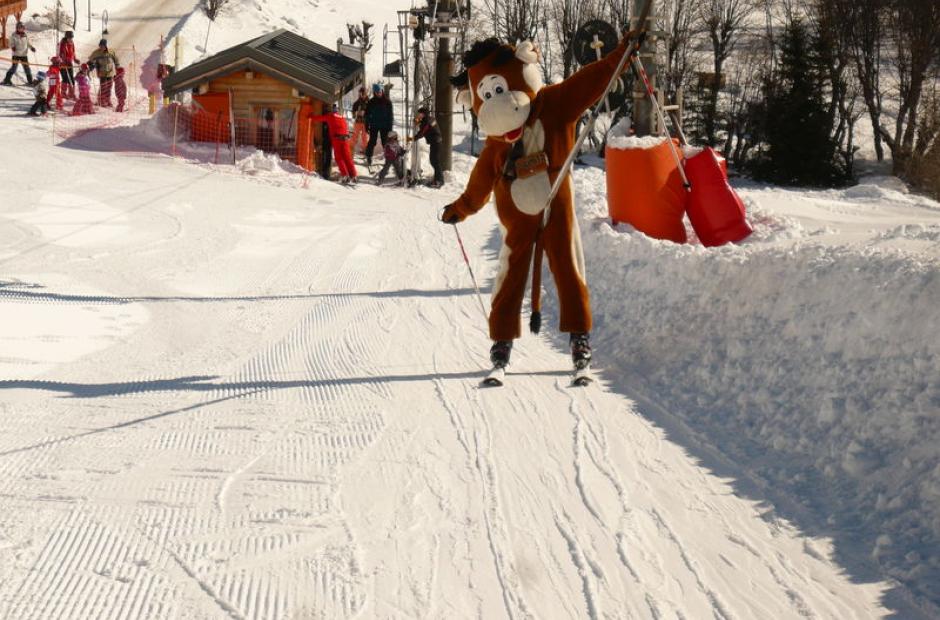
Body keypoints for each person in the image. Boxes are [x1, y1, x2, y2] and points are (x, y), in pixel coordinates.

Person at [308, 104, 358, 183]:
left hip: (337, 139)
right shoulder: (342, 117)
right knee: (347, 157)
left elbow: (319, 118)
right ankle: (353, 175)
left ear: (331, 110)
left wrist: (310, 116)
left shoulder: (330, 116)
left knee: (339, 158)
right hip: (345, 139)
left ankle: (345, 175)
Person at [364, 83, 393, 168]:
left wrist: (390, 128)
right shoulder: (371, 102)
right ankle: (369, 156)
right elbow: (367, 115)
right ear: (374, 92)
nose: (379, 93)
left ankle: (388, 158)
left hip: (385, 126)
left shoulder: (387, 102)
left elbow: (390, 116)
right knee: (372, 141)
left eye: (380, 92)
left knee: (385, 143)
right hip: (374, 124)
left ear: (382, 91)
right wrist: (366, 125)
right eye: (377, 92)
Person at [414, 106, 444, 187]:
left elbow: (422, 132)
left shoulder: (426, 122)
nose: (418, 115)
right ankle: (437, 179)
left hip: (435, 142)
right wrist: (418, 121)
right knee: (434, 161)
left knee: (435, 161)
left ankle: (439, 181)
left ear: (423, 114)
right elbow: (423, 125)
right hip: (436, 142)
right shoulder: (430, 118)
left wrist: (413, 138)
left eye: (419, 114)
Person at [88, 39, 120, 107]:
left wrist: (117, 67)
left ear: (105, 46)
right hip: (102, 72)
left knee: (109, 87)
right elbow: (90, 59)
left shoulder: (111, 52)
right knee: (103, 87)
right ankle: (101, 100)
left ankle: (108, 100)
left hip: (110, 72)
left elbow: (116, 59)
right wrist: (91, 65)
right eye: (100, 45)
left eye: (103, 46)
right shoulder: (96, 52)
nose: (101, 47)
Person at [350, 86, 370, 155]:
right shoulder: (357, 102)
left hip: (365, 122)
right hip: (358, 122)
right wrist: (355, 113)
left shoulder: (369, 102)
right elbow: (353, 111)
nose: (362, 95)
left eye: (363, 93)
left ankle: (365, 150)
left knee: (365, 136)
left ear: (366, 93)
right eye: (361, 93)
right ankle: (350, 148)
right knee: (355, 135)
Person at [58, 30, 77, 99]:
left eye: (71, 37)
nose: (70, 39)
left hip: (69, 62)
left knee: (71, 78)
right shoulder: (63, 43)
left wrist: (75, 59)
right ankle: (63, 93)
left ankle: (71, 93)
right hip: (62, 63)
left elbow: (73, 52)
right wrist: (63, 61)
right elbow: (60, 53)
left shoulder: (72, 42)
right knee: (65, 78)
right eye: (69, 37)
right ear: (66, 37)